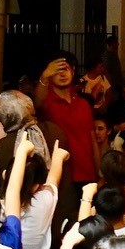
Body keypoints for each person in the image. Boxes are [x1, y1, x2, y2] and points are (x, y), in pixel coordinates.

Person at [37, 54, 99, 189]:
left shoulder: (83, 103)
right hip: (60, 176)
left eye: (65, 69)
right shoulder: (46, 102)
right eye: (56, 71)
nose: (62, 74)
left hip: (87, 174)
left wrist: (98, 174)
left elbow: (93, 141)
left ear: (73, 70)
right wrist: (43, 77)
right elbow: (38, 103)